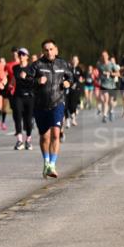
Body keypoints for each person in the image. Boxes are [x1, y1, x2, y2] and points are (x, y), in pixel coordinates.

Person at [26, 39, 72, 179]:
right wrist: (37, 81)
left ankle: (52, 164)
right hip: (40, 105)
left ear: (56, 50)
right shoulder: (37, 65)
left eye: (51, 49)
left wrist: (67, 82)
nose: (49, 52)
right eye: (46, 50)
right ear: (43, 51)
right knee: (44, 136)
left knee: (56, 134)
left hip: (58, 103)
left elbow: (71, 78)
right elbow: (27, 81)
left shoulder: (63, 64)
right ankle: (46, 162)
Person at [10, 48, 35, 150]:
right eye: (19, 54)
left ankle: (28, 140)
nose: (21, 56)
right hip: (18, 96)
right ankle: (19, 140)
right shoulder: (15, 68)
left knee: (28, 120)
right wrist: (9, 85)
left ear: (27, 57)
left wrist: (26, 77)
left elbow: (34, 82)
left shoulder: (31, 68)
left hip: (29, 96)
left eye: (23, 54)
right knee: (17, 118)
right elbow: (13, 80)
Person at [97, 50, 119, 123]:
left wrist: (110, 73)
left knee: (110, 101)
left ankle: (111, 111)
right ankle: (104, 116)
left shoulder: (112, 64)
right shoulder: (99, 65)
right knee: (105, 100)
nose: (104, 57)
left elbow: (118, 74)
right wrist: (99, 77)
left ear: (108, 56)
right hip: (103, 85)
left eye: (105, 56)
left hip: (112, 85)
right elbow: (99, 74)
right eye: (102, 56)